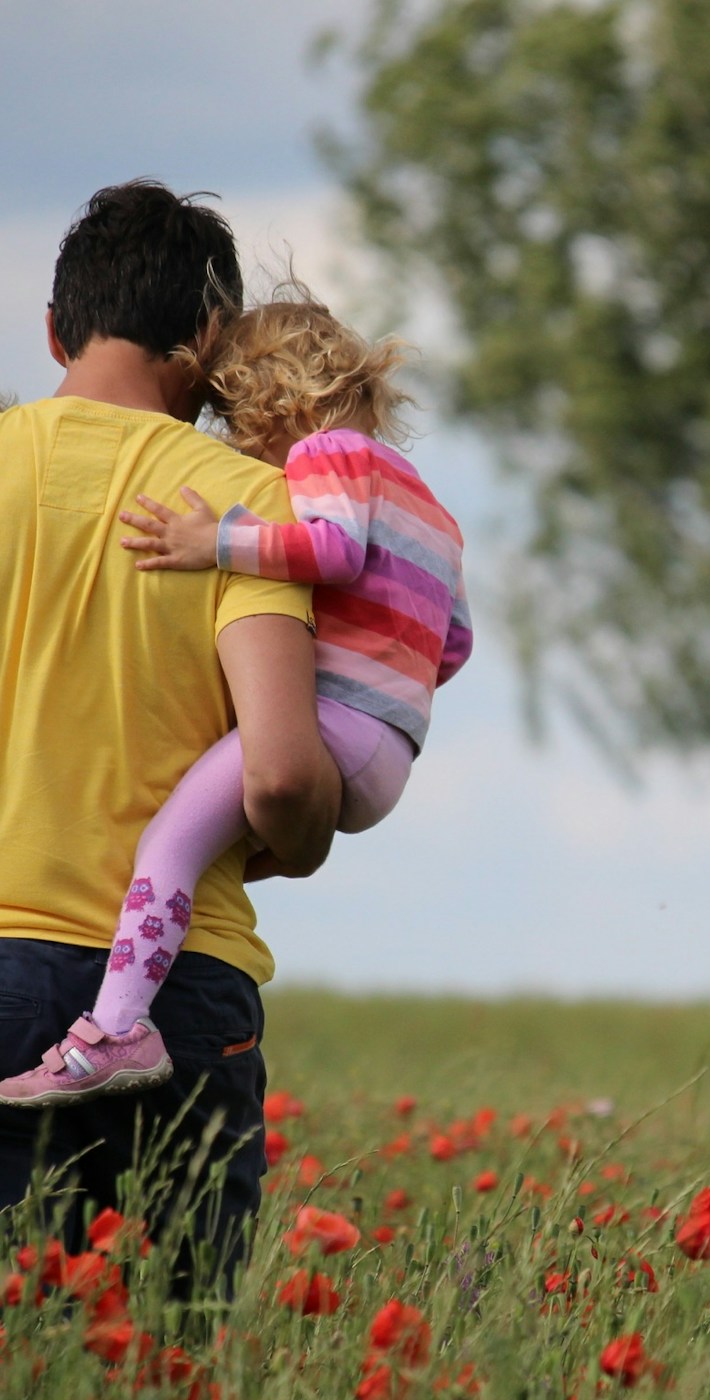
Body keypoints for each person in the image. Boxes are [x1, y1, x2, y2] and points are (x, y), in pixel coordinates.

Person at [0, 296, 472, 1109]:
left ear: (275, 402)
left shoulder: (325, 457)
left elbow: (329, 548)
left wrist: (212, 541)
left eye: (239, 421)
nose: (244, 449)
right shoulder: (430, 505)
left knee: (169, 845)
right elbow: (454, 643)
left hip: (333, 730)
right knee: (217, 839)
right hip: (390, 747)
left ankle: (116, 1028)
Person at [0, 181, 342, 1287]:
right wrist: (301, 838)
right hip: (175, 999)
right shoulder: (247, 506)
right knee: (162, 1349)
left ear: (56, 330)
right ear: (210, 344)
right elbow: (285, 771)